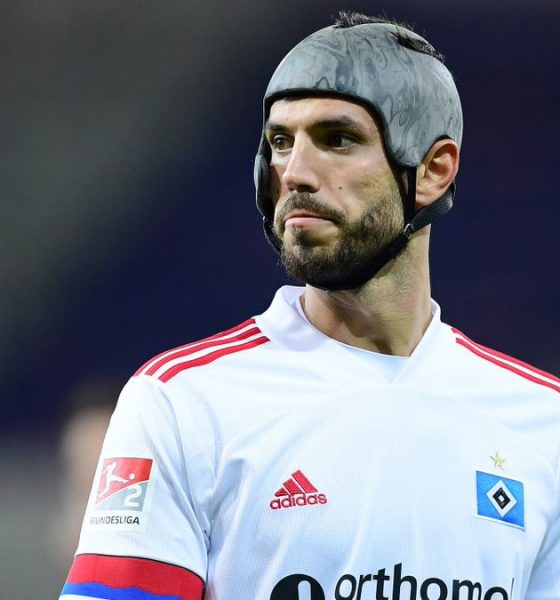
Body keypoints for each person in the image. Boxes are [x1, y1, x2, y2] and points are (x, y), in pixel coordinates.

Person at [59, 11, 560, 600]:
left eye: (337, 139)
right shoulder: (182, 405)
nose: (294, 172)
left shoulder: (542, 423)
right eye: (280, 143)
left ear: (433, 171)